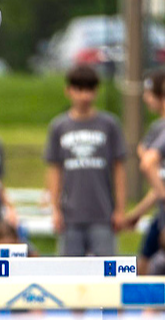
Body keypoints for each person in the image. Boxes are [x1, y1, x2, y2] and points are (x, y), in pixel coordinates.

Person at [45, 64, 126, 256]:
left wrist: (120, 209)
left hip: (102, 215)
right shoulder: (59, 126)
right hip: (70, 216)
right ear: (69, 91)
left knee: (107, 272)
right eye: (79, 89)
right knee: (69, 273)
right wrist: (55, 209)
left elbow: (119, 169)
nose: (84, 96)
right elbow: (54, 170)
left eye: (89, 90)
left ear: (96, 92)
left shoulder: (109, 125)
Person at [124, 69, 165, 274]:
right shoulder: (157, 127)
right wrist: (137, 213)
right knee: (144, 264)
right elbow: (160, 187)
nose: (145, 98)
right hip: (160, 215)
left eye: (149, 93)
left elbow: (149, 164)